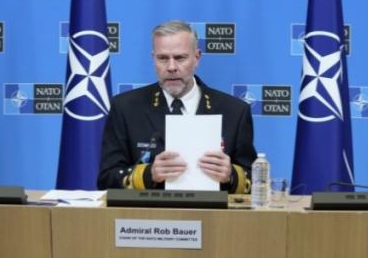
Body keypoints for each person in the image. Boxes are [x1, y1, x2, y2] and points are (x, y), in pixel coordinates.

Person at [98, 20, 257, 192]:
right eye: (163, 58)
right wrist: (147, 174)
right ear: (153, 58)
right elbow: (106, 179)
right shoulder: (125, 108)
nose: (171, 67)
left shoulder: (234, 111)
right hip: (147, 216)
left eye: (180, 58)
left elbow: (255, 182)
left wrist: (231, 175)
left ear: (197, 58)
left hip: (214, 216)